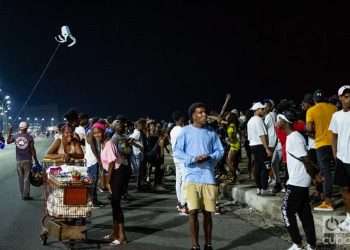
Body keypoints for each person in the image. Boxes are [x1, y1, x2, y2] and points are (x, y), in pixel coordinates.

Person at [174, 102, 224, 250]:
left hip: (208, 177)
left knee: (208, 213)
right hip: (191, 177)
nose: (204, 115)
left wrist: (210, 157)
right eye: (200, 113)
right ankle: (195, 246)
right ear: (193, 116)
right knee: (193, 212)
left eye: (204, 112)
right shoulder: (185, 132)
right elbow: (177, 151)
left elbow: (220, 151)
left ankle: (208, 244)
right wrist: (193, 159)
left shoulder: (211, 133)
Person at [278, 111, 318, 250]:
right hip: (300, 180)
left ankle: (297, 243)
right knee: (304, 212)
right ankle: (311, 245)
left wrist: (314, 177)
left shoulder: (294, 138)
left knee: (286, 210)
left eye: (279, 119)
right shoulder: (292, 136)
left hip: (297, 181)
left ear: (285, 122)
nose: (277, 121)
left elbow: (306, 159)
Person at [101, 117, 131, 246]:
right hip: (118, 172)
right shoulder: (107, 142)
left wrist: (107, 180)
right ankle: (115, 233)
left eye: (99, 132)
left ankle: (122, 236)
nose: (96, 134)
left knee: (116, 204)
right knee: (114, 204)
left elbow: (112, 163)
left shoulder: (109, 142)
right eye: (94, 132)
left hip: (117, 173)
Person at [306, 89, 337, 211]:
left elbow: (308, 128)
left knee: (326, 172)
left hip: (321, 144)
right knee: (340, 169)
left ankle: (328, 201)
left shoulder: (311, 110)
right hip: (335, 143)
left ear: (314, 100)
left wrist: (315, 134)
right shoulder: (333, 108)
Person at [329, 85, 350, 232]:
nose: (349, 98)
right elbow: (333, 135)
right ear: (341, 98)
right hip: (342, 159)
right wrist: (335, 154)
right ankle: (349, 218)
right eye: (346, 96)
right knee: (344, 190)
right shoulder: (336, 116)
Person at [7, 122, 39, 200]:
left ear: (19, 127)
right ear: (26, 128)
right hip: (27, 160)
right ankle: (26, 195)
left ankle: (22, 195)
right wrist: (36, 160)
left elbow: (8, 141)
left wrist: (10, 131)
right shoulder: (29, 137)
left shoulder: (15, 136)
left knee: (20, 178)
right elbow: (32, 150)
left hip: (18, 160)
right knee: (27, 178)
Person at [247, 102, 273, 196]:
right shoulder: (258, 120)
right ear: (257, 110)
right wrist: (266, 148)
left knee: (257, 167)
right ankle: (264, 188)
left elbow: (249, 137)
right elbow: (262, 135)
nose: (263, 110)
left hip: (253, 146)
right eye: (262, 109)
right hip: (260, 145)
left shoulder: (250, 121)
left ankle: (258, 187)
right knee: (265, 168)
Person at [85, 121, 107, 207]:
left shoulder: (91, 132)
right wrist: (99, 160)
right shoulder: (91, 133)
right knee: (93, 181)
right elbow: (93, 147)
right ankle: (93, 202)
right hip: (93, 161)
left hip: (92, 160)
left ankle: (94, 200)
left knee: (93, 181)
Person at [170, 111, 187, 214]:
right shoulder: (181, 130)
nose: (184, 119)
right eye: (182, 118)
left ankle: (180, 202)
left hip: (176, 157)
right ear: (179, 119)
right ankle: (183, 204)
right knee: (184, 181)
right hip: (182, 158)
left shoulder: (172, 130)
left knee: (179, 181)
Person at [129, 119, 146, 189]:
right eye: (142, 125)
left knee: (139, 169)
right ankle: (138, 184)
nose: (144, 126)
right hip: (137, 153)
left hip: (138, 152)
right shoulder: (137, 133)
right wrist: (139, 146)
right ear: (138, 125)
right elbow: (130, 141)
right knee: (138, 169)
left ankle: (139, 183)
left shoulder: (138, 132)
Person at [225, 112, 241, 184]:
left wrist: (228, 139)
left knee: (228, 161)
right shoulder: (234, 125)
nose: (227, 117)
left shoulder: (231, 126)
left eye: (228, 116)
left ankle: (235, 176)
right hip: (235, 145)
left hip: (234, 146)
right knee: (233, 162)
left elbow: (232, 137)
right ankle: (234, 178)